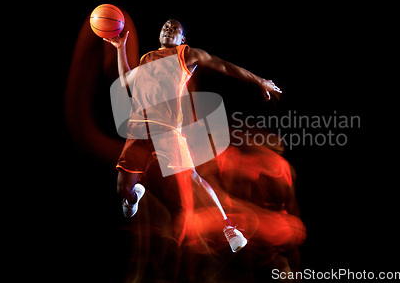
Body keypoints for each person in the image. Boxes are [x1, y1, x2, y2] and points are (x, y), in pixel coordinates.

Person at [104, 19, 282, 253]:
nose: (168, 29)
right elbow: (126, 80)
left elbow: (225, 66)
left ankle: (229, 227)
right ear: (159, 34)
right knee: (122, 190)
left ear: (183, 39)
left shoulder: (187, 54)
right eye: (165, 26)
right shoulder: (146, 58)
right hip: (138, 129)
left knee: (193, 179)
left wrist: (258, 80)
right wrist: (120, 49)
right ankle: (132, 197)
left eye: (174, 28)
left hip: (167, 130)